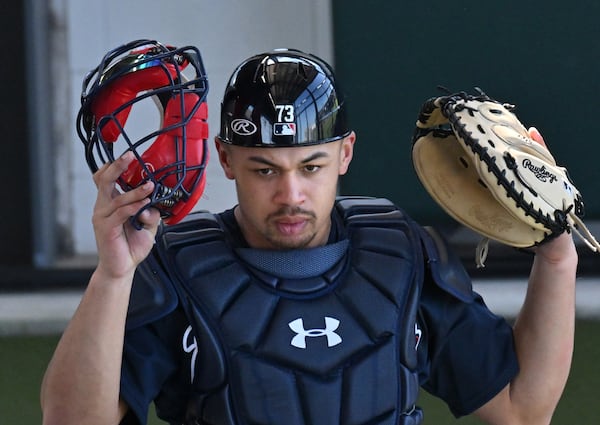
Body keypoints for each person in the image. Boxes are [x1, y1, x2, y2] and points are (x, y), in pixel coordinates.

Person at [40, 46, 578, 425]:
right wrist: (113, 276)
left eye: (312, 167)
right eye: (265, 170)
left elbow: (522, 408)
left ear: (345, 154)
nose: (291, 195)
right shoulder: (177, 269)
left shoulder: (403, 255)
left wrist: (556, 255)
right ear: (226, 159)